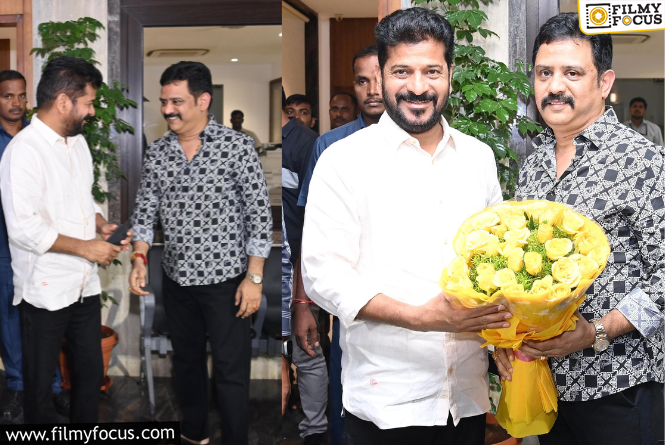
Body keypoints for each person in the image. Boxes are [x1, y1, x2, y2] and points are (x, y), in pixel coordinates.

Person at [301, 8, 512, 444]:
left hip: (467, 399)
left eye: (432, 70)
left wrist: (504, 336)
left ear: (450, 73)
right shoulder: (343, 161)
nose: (418, 87)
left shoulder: (478, 158)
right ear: (380, 75)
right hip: (387, 403)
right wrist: (420, 318)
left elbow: (497, 261)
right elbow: (323, 276)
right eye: (402, 71)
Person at [495, 13, 664, 445]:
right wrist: (504, 337)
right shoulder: (532, 167)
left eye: (572, 73)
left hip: (622, 385)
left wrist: (598, 331)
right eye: (544, 72)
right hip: (547, 387)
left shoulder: (641, 161)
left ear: (604, 83)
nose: (555, 86)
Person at [129, 61, 272, 445]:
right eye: (164, 102)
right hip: (177, 280)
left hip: (228, 283)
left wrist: (254, 278)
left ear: (203, 100)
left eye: (176, 101)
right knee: (187, 365)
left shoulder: (236, 146)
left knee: (230, 369)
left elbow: (258, 216)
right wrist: (140, 257)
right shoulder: (158, 153)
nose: (167, 109)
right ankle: (194, 435)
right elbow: (144, 214)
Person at [0, 56, 131, 424]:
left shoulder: (78, 144)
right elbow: (24, 228)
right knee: (40, 386)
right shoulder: (23, 151)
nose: (90, 112)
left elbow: (81, 202)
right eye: (87, 103)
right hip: (44, 288)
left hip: (83, 284)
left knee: (89, 374)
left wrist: (100, 225)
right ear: (63, 102)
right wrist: (86, 247)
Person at [295, 45, 385, 445]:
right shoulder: (330, 145)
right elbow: (308, 235)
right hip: (348, 306)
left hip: (412, 308)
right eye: (362, 81)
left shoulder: (424, 139)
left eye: (379, 78)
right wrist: (302, 304)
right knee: (346, 407)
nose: (372, 90)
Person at [0, 70, 70, 420]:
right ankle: (17, 387)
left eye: (21, 95)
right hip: (2, 245)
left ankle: (53, 387)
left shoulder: (40, 135)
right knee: (10, 322)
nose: (16, 102)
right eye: (7, 96)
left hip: (41, 245)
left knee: (46, 318)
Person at [282, 87, 328, 445]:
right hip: (271, 267)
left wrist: (302, 298)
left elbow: (313, 224)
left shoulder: (307, 143)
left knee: (307, 352)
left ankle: (314, 431)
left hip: (298, 270)